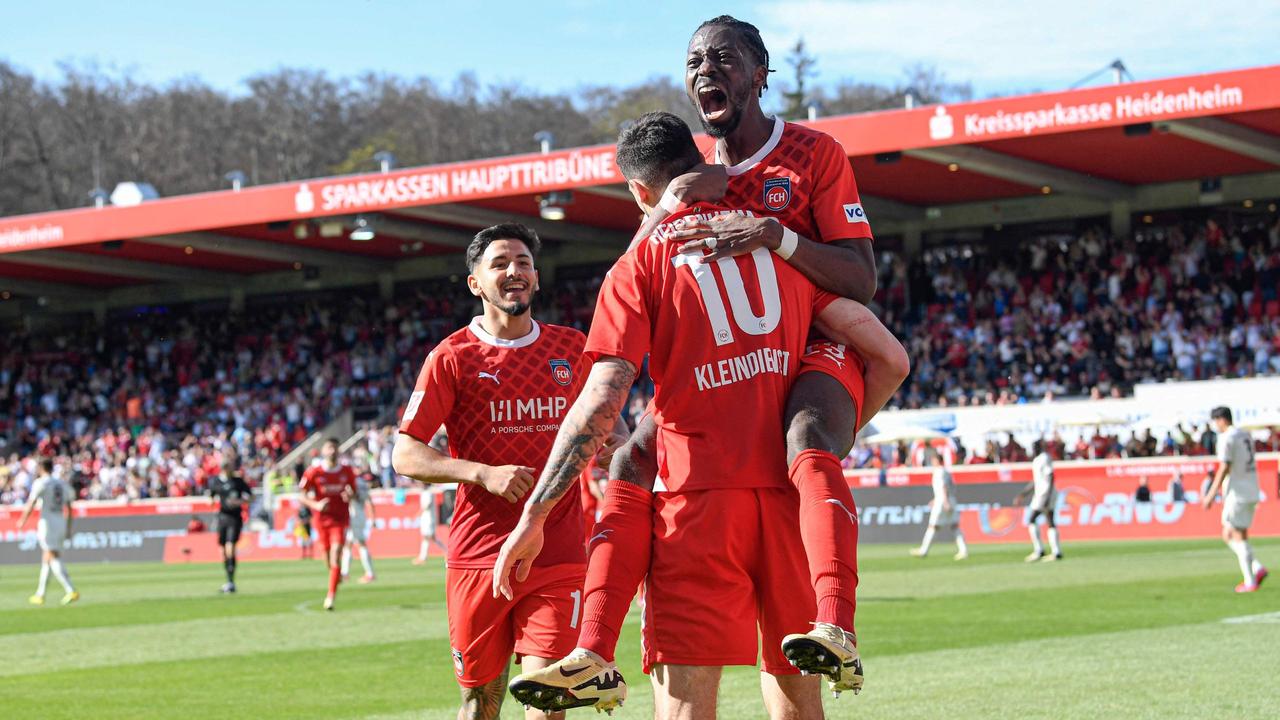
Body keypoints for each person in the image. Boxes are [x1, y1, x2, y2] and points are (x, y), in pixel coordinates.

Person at [506, 15, 910, 711]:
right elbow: (893, 358)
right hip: (757, 381)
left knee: (804, 434)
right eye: (694, 61)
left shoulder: (810, 156)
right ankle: (595, 651)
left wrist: (778, 238)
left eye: (722, 58)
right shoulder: (693, 198)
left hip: (810, 336)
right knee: (634, 455)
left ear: (760, 71)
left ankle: (826, 621)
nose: (705, 70)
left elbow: (860, 279)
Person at [392, 223, 614, 720]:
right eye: (499, 263)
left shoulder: (571, 348)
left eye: (523, 263)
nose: (514, 271)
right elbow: (405, 455)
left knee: (549, 699)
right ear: (475, 283)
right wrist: (481, 473)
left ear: (535, 278)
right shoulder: (452, 357)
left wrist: (617, 447)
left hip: (556, 553)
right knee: (479, 702)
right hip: (479, 556)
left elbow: (608, 430)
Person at [1202, 406, 1268, 592]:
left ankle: (1250, 581)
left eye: (1216, 421)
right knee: (1239, 534)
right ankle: (1257, 568)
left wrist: (1211, 493)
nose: (1215, 425)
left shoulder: (1226, 438)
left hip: (1236, 492)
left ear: (1222, 419)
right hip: (1251, 488)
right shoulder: (1245, 435)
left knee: (1232, 534)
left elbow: (1225, 467)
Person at [299, 438, 356, 611]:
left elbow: (354, 493)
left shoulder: (347, 471)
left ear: (338, 451)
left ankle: (330, 596)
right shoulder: (314, 472)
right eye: (329, 448)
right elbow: (301, 495)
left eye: (334, 448)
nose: (332, 451)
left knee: (336, 552)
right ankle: (335, 574)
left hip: (340, 519)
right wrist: (315, 505)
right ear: (323, 451)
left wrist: (350, 496)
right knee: (327, 557)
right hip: (321, 520)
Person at [16, 458, 79, 605]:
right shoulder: (62, 483)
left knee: (52, 556)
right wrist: (69, 527)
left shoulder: (41, 483)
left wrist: (22, 521)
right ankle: (40, 594)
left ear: (41, 468)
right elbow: (69, 506)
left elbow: (31, 503)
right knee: (47, 557)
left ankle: (70, 589)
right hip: (60, 521)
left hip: (47, 522)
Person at [911, 449, 967, 560]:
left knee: (933, 526)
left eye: (932, 460)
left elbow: (943, 486)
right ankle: (963, 551)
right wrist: (935, 499)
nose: (931, 462)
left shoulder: (939, 471)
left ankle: (924, 550)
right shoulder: (945, 471)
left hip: (943, 501)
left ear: (936, 460)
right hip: (948, 499)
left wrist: (943, 501)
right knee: (954, 526)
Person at [208, 455, 252, 593]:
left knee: (230, 548)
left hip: (235, 517)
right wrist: (214, 503)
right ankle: (228, 581)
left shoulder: (237, 481)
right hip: (222, 517)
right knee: (223, 550)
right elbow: (211, 497)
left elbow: (250, 497)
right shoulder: (216, 481)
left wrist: (239, 502)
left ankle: (231, 581)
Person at [1019, 441, 1062, 562]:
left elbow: (1051, 476)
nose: (1032, 450)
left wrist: (1047, 497)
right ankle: (1056, 551)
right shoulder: (1037, 460)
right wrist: (1023, 494)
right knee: (1050, 520)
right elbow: (1037, 481)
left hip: (1045, 494)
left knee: (1032, 519)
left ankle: (1039, 550)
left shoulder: (1044, 458)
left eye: (1034, 447)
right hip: (1042, 493)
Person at [340, 471, 377, 584]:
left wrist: (345, 495)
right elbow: (369, 501)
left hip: (354, 514)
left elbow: (352, 496)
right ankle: (344, 572)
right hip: (359, 513)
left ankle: (370, 573)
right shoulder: (362, 483)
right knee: (348, 544)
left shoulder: (352, 482)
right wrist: (373, 517)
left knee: (360, 543)